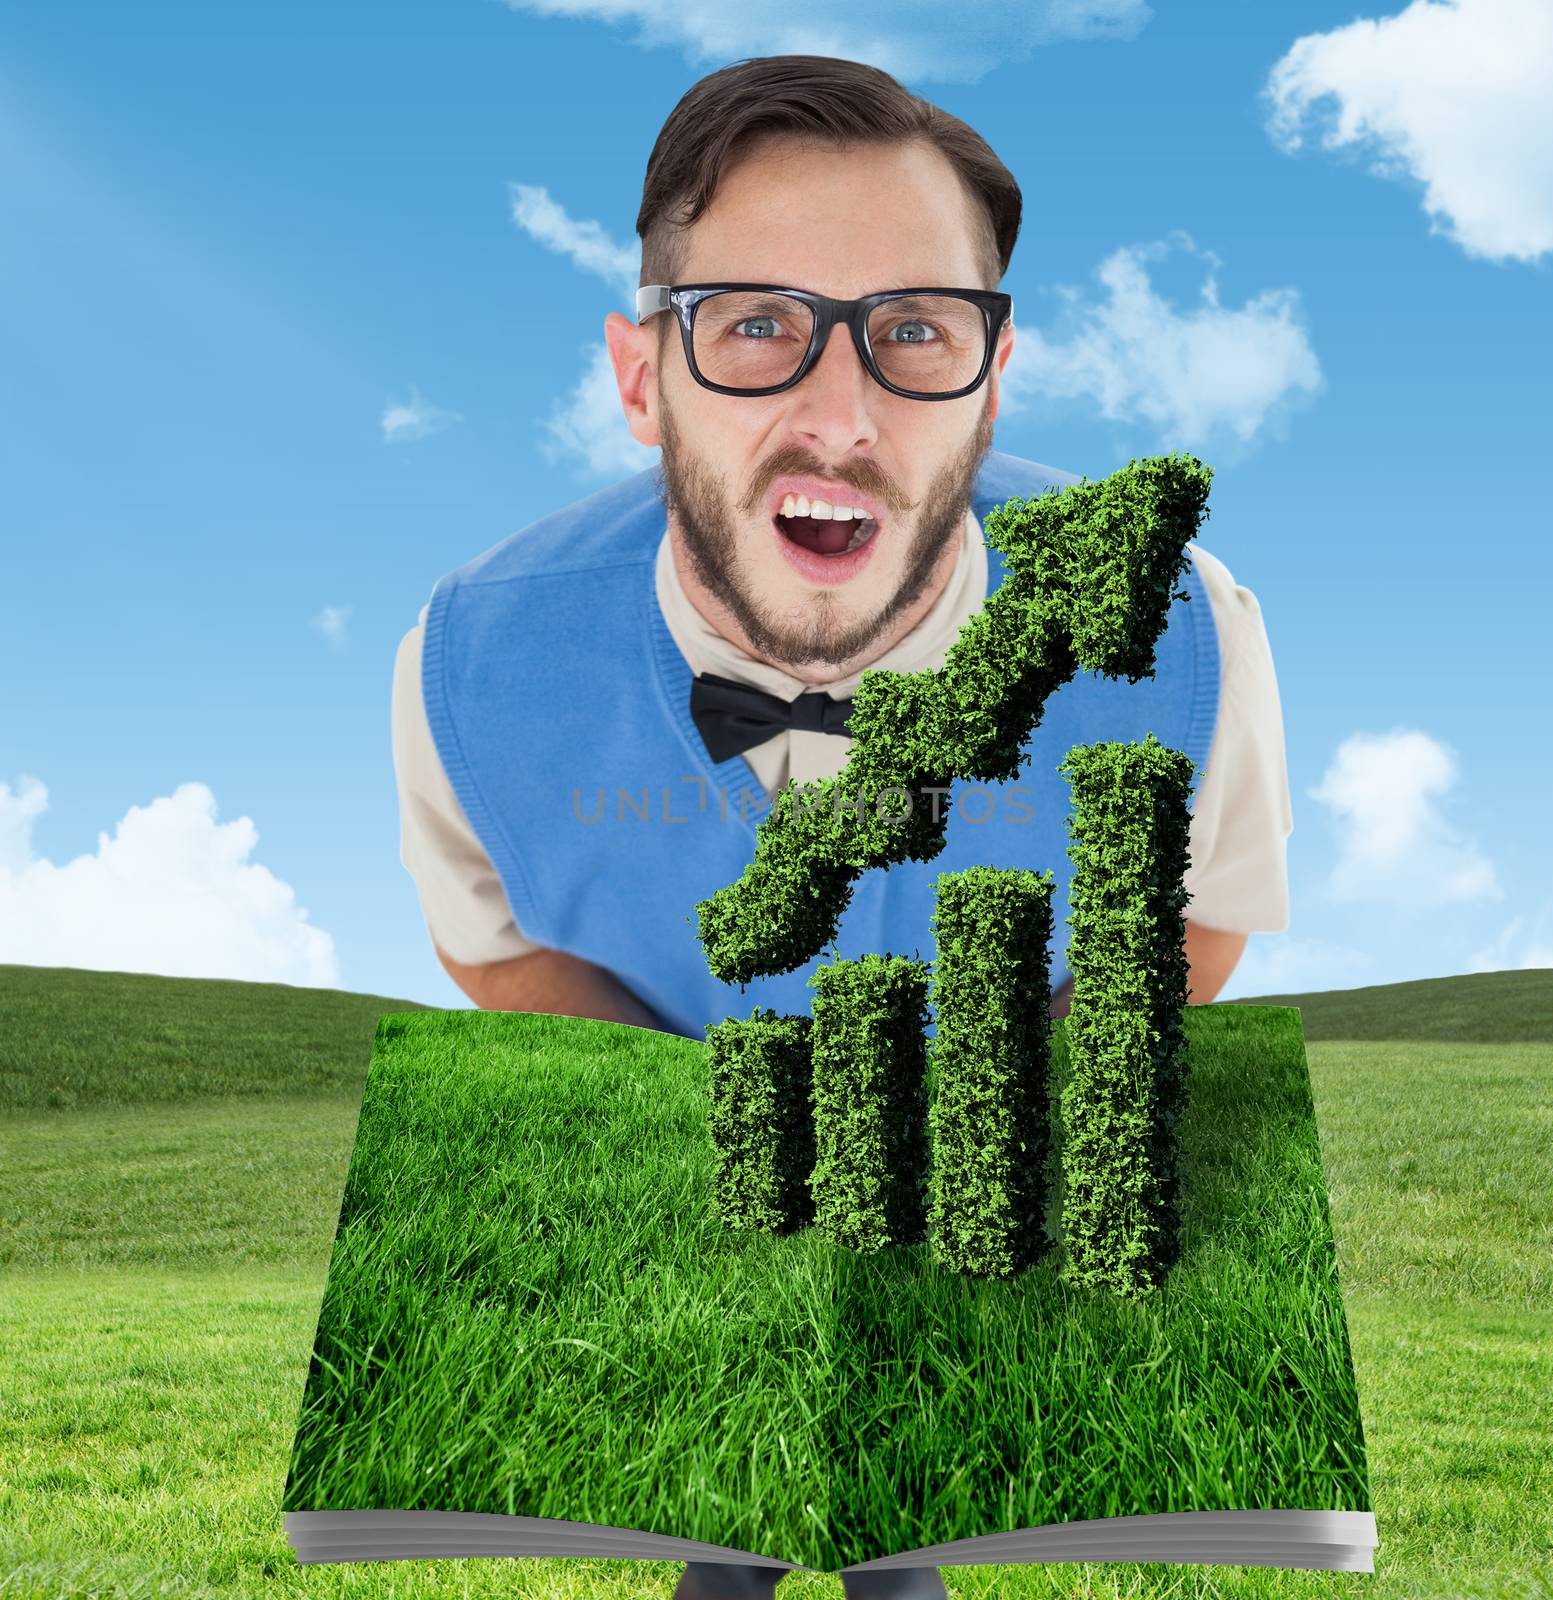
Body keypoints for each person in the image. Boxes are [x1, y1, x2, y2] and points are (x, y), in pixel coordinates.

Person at [391, 53, 1293, 1600]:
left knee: (905, 1527)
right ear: (636, 376)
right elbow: (499, 939)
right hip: (699, 1200)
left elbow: (1198, 918)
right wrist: (692, 1161)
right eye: (753, 325)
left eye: (914, 334)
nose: (840, 414)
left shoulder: (1181, 626)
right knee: (720, 1532)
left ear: (996, 384)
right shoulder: (470, 659)